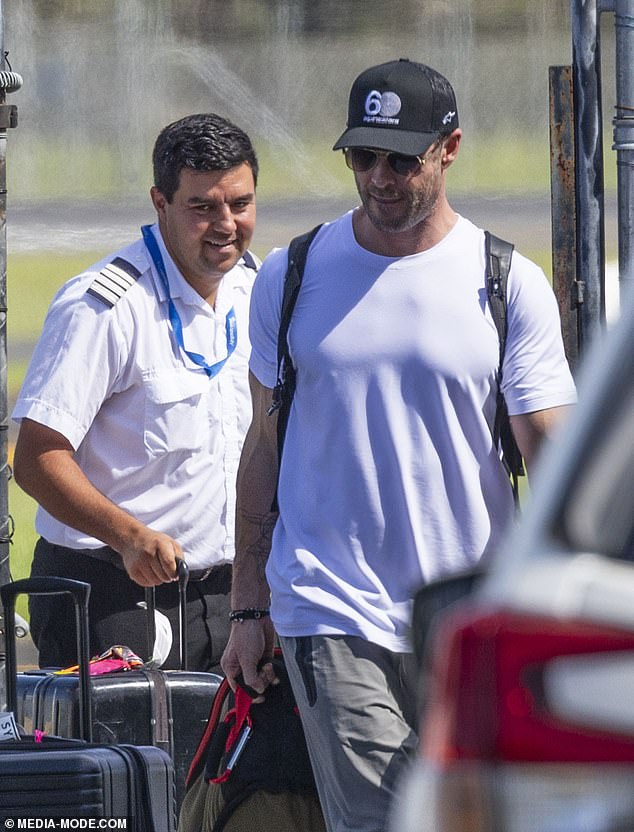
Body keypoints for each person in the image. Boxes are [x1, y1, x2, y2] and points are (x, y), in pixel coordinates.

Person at [221, 59, 577, 832]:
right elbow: (263, 444)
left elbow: (549, 451)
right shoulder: (293, 274)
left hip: (468, 615)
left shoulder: (506, 281)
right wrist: (248, 602)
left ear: (449, 149)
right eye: (362, 157)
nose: (379, 178)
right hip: (330, 607)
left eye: (400, 159)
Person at [12, 112, 259, 672]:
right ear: (160, 202)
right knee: (122, 762)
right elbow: (35, 458)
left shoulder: (256, 288)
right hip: (110, 596)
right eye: (202, 207)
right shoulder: (103, 306)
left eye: (240, 204)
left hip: (228, 598)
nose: (225, 224)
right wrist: (127, 538)